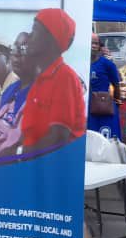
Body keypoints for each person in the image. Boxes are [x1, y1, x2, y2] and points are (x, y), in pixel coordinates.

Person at [19, 8, 86, 155]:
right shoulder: (40, 79)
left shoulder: (64, 77)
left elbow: (58, 137)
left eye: (34, 30)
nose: (29, 36)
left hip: (55, 164)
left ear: (50, 39)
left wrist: (23, 157)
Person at [88, 33, 123, 140]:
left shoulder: (107, 64)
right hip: (86, 105)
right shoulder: (81, 63)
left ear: (100, 46)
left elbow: (116, 84)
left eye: (96, 43)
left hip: (103, 105)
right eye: (91, 43)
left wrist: (117, 100)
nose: (94, 46)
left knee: (106, 136)